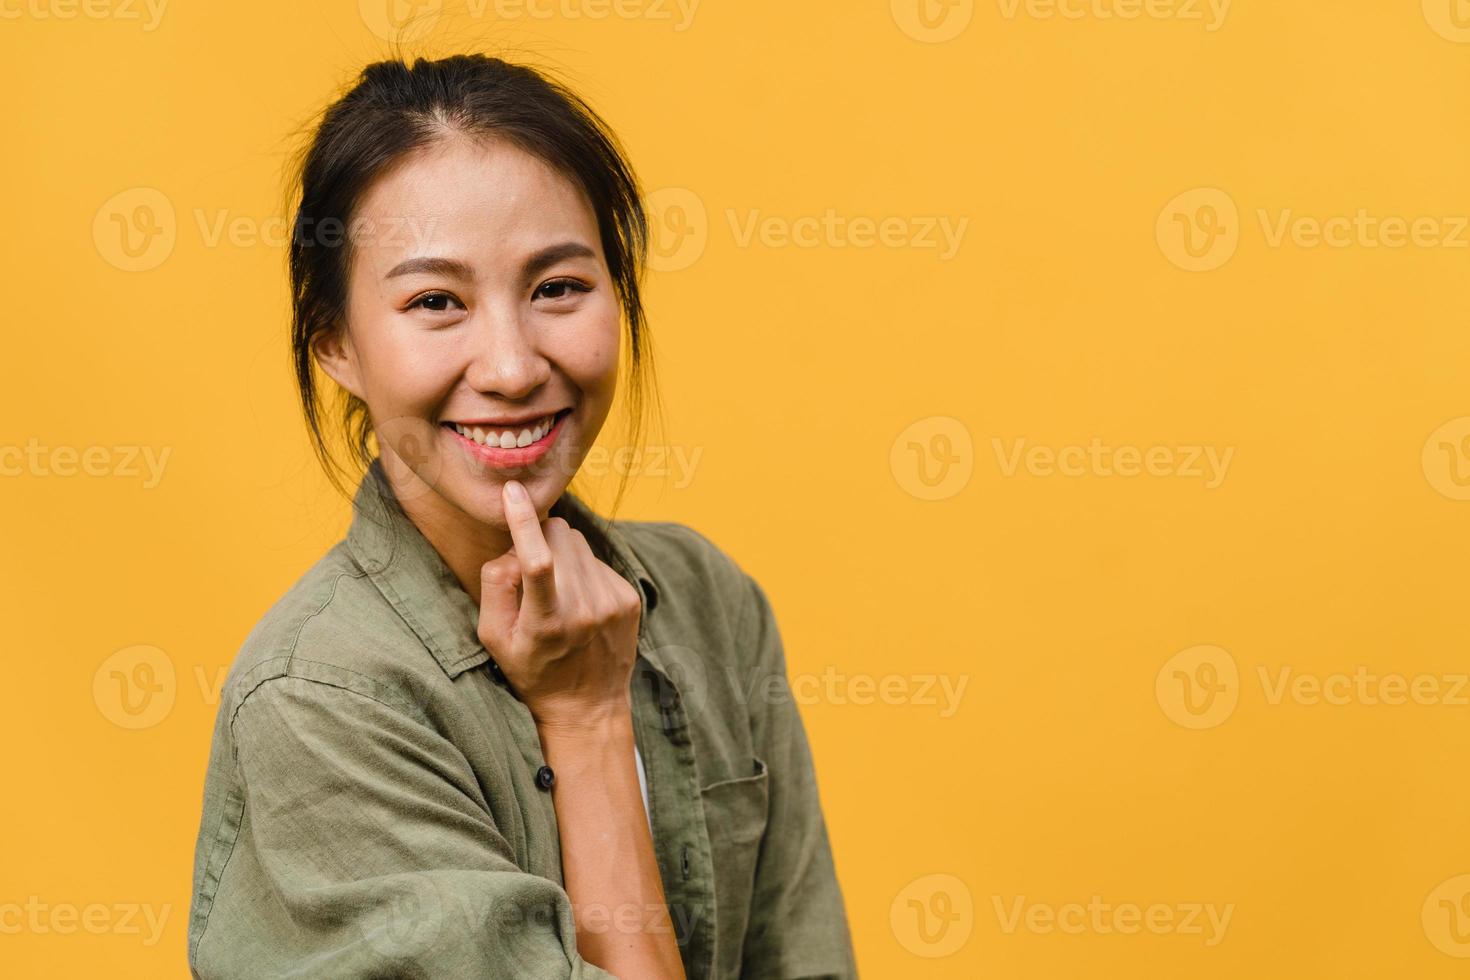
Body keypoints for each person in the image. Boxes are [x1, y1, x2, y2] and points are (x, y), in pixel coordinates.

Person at [186, 53, 857, 979]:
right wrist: (585, 720)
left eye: (557, 289)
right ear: (335, 343)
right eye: (435, 302)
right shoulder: (320, 701)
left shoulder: (707, 602)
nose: (510, 366)